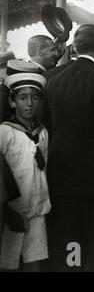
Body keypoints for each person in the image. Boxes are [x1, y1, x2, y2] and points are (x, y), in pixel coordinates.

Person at [43, 24, 94, 271]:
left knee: (71, 248)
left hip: (62, 183)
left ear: (75, 48)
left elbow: (48, 127)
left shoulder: (54, 83)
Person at [0, 69, 50, 271]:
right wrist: (6, 209)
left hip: (37, 209)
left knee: (34, 262)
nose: (29, 103)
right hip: (11, 211)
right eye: (22, 98)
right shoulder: (5, 132)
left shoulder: (43, 132)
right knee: (7, 262)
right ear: (13, 102)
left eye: (34, 97)